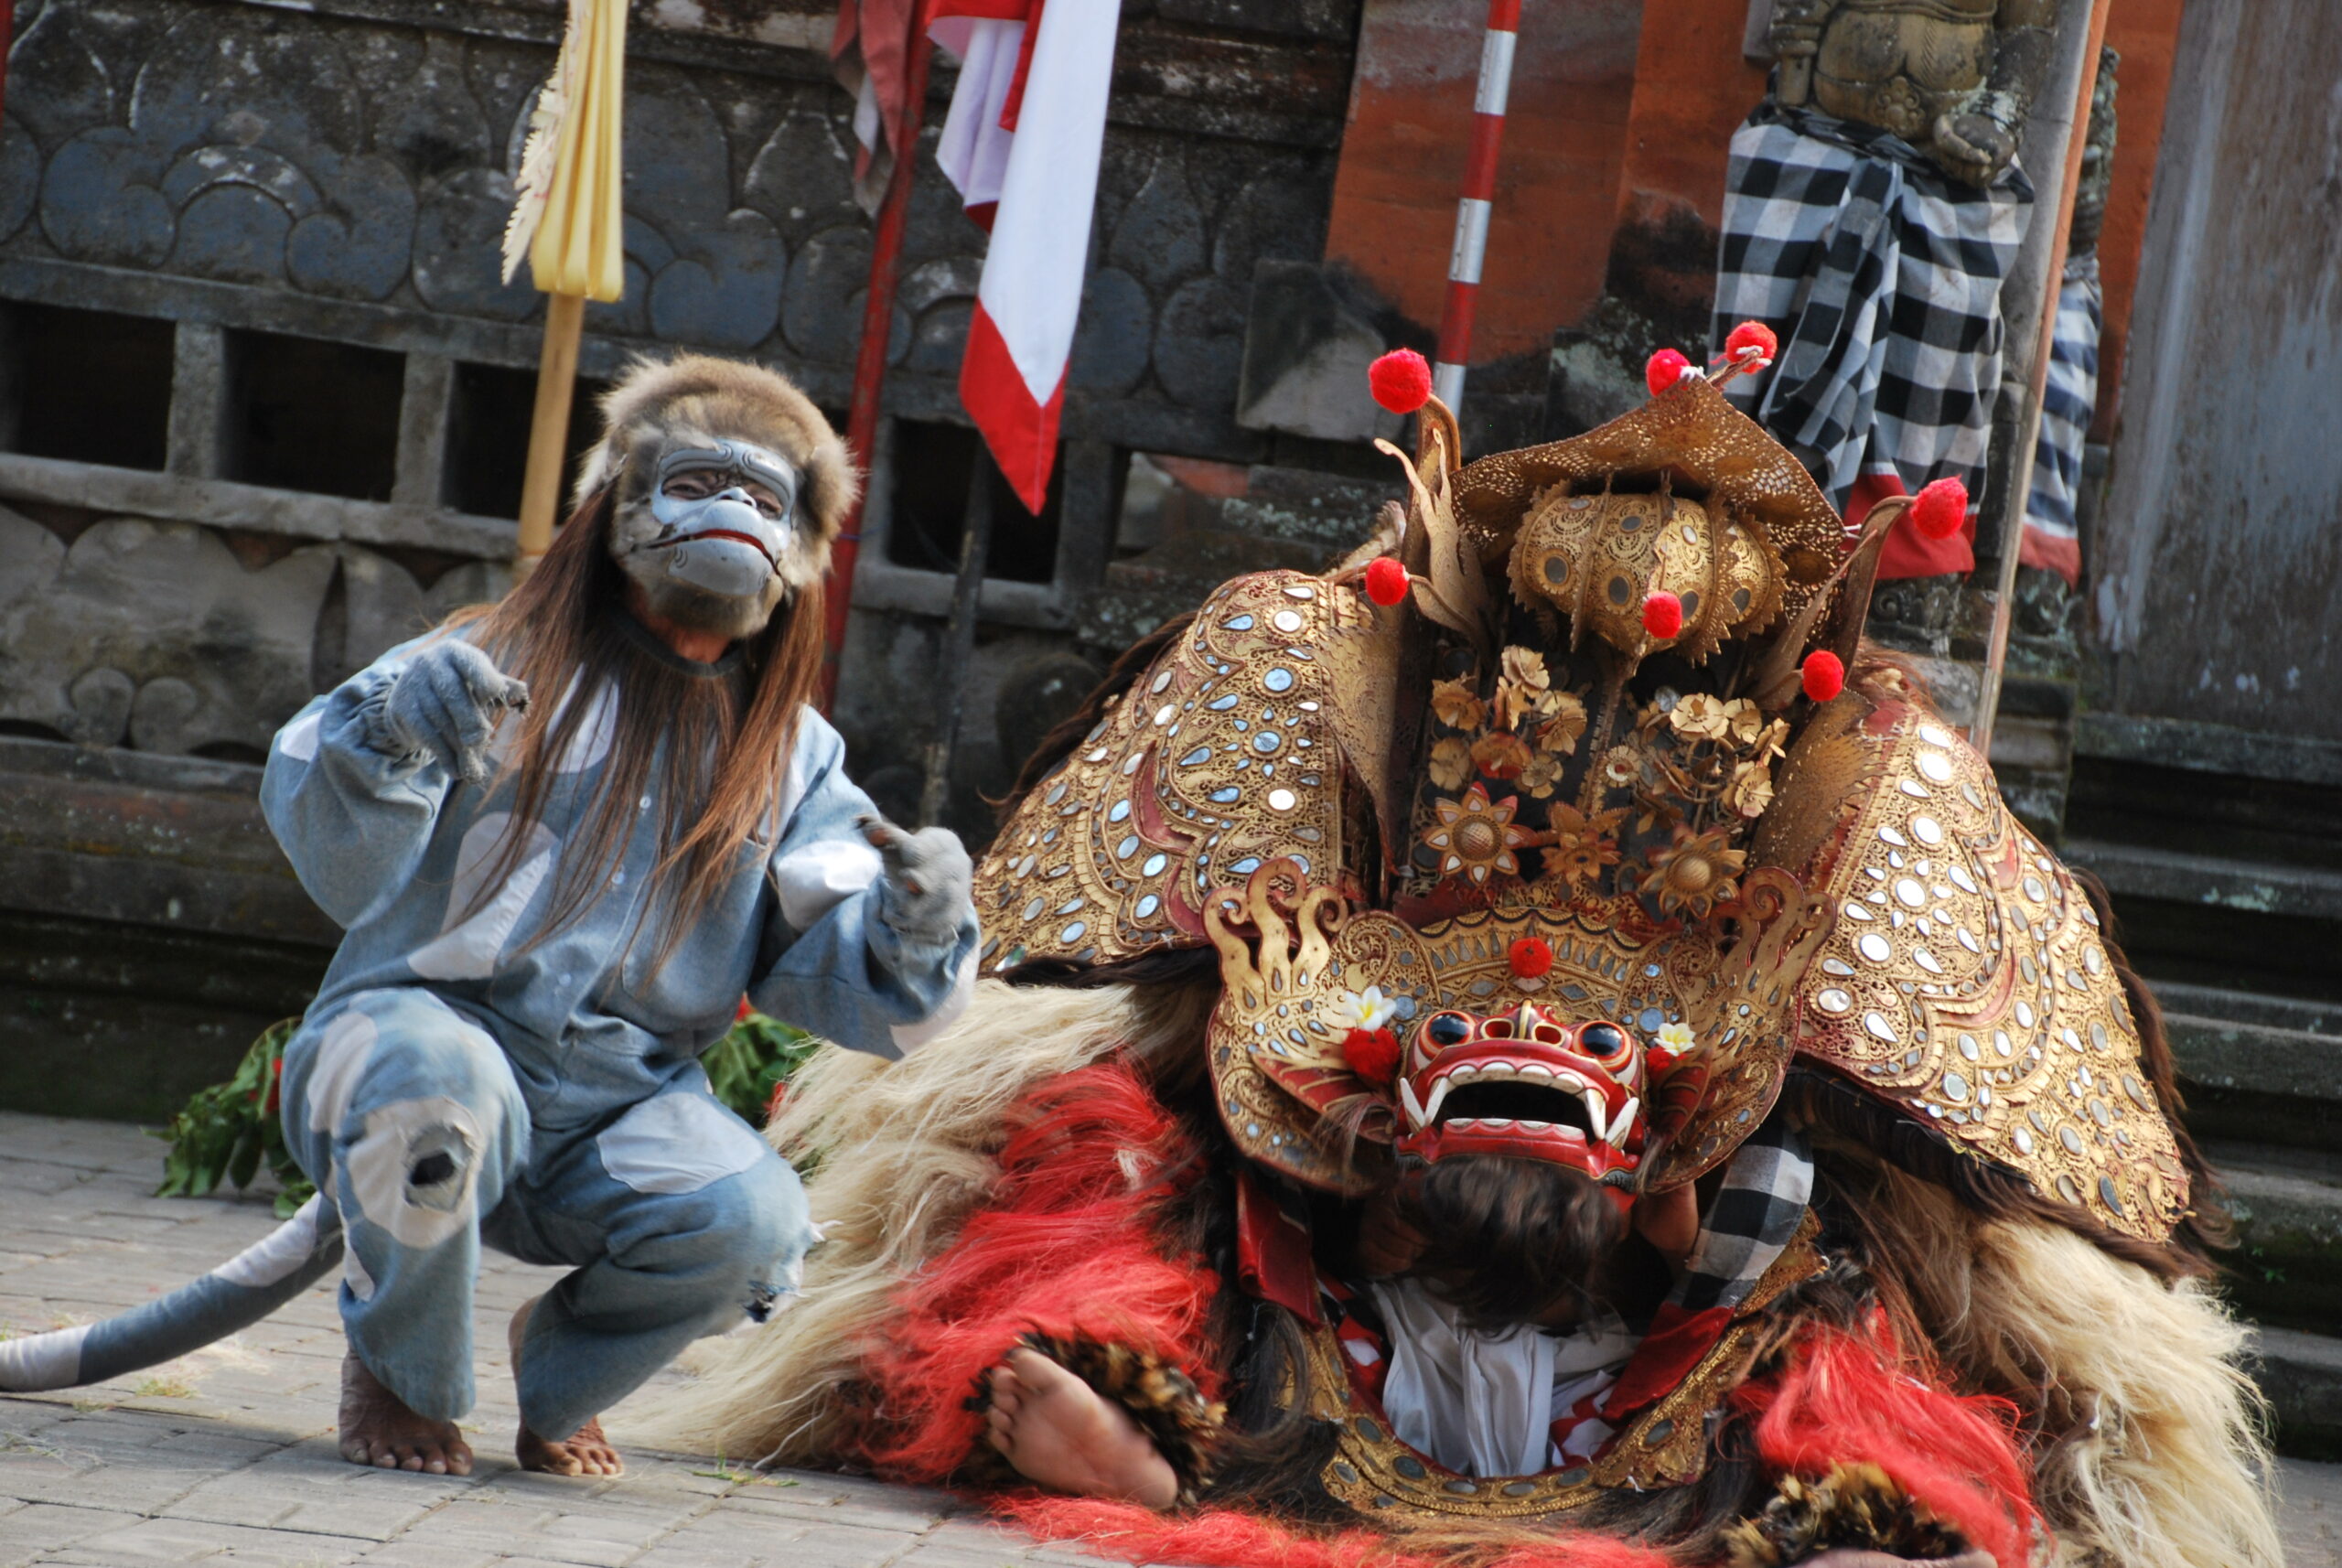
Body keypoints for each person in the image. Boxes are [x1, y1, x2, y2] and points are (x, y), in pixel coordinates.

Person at [0, 354, 980, 1480]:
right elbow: (329, 840)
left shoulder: (793, 760)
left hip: (619, 1110)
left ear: (799, 550)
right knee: (431, 1099)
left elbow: (859, 988)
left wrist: (918, 920)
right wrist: (394, 730)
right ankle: (400, 1368)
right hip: (409, 1055)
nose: (728, 515)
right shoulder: (487, 659)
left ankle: (562, 1372)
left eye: (763, 499)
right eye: (700, 479)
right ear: (618, 504)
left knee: (749, 1226)